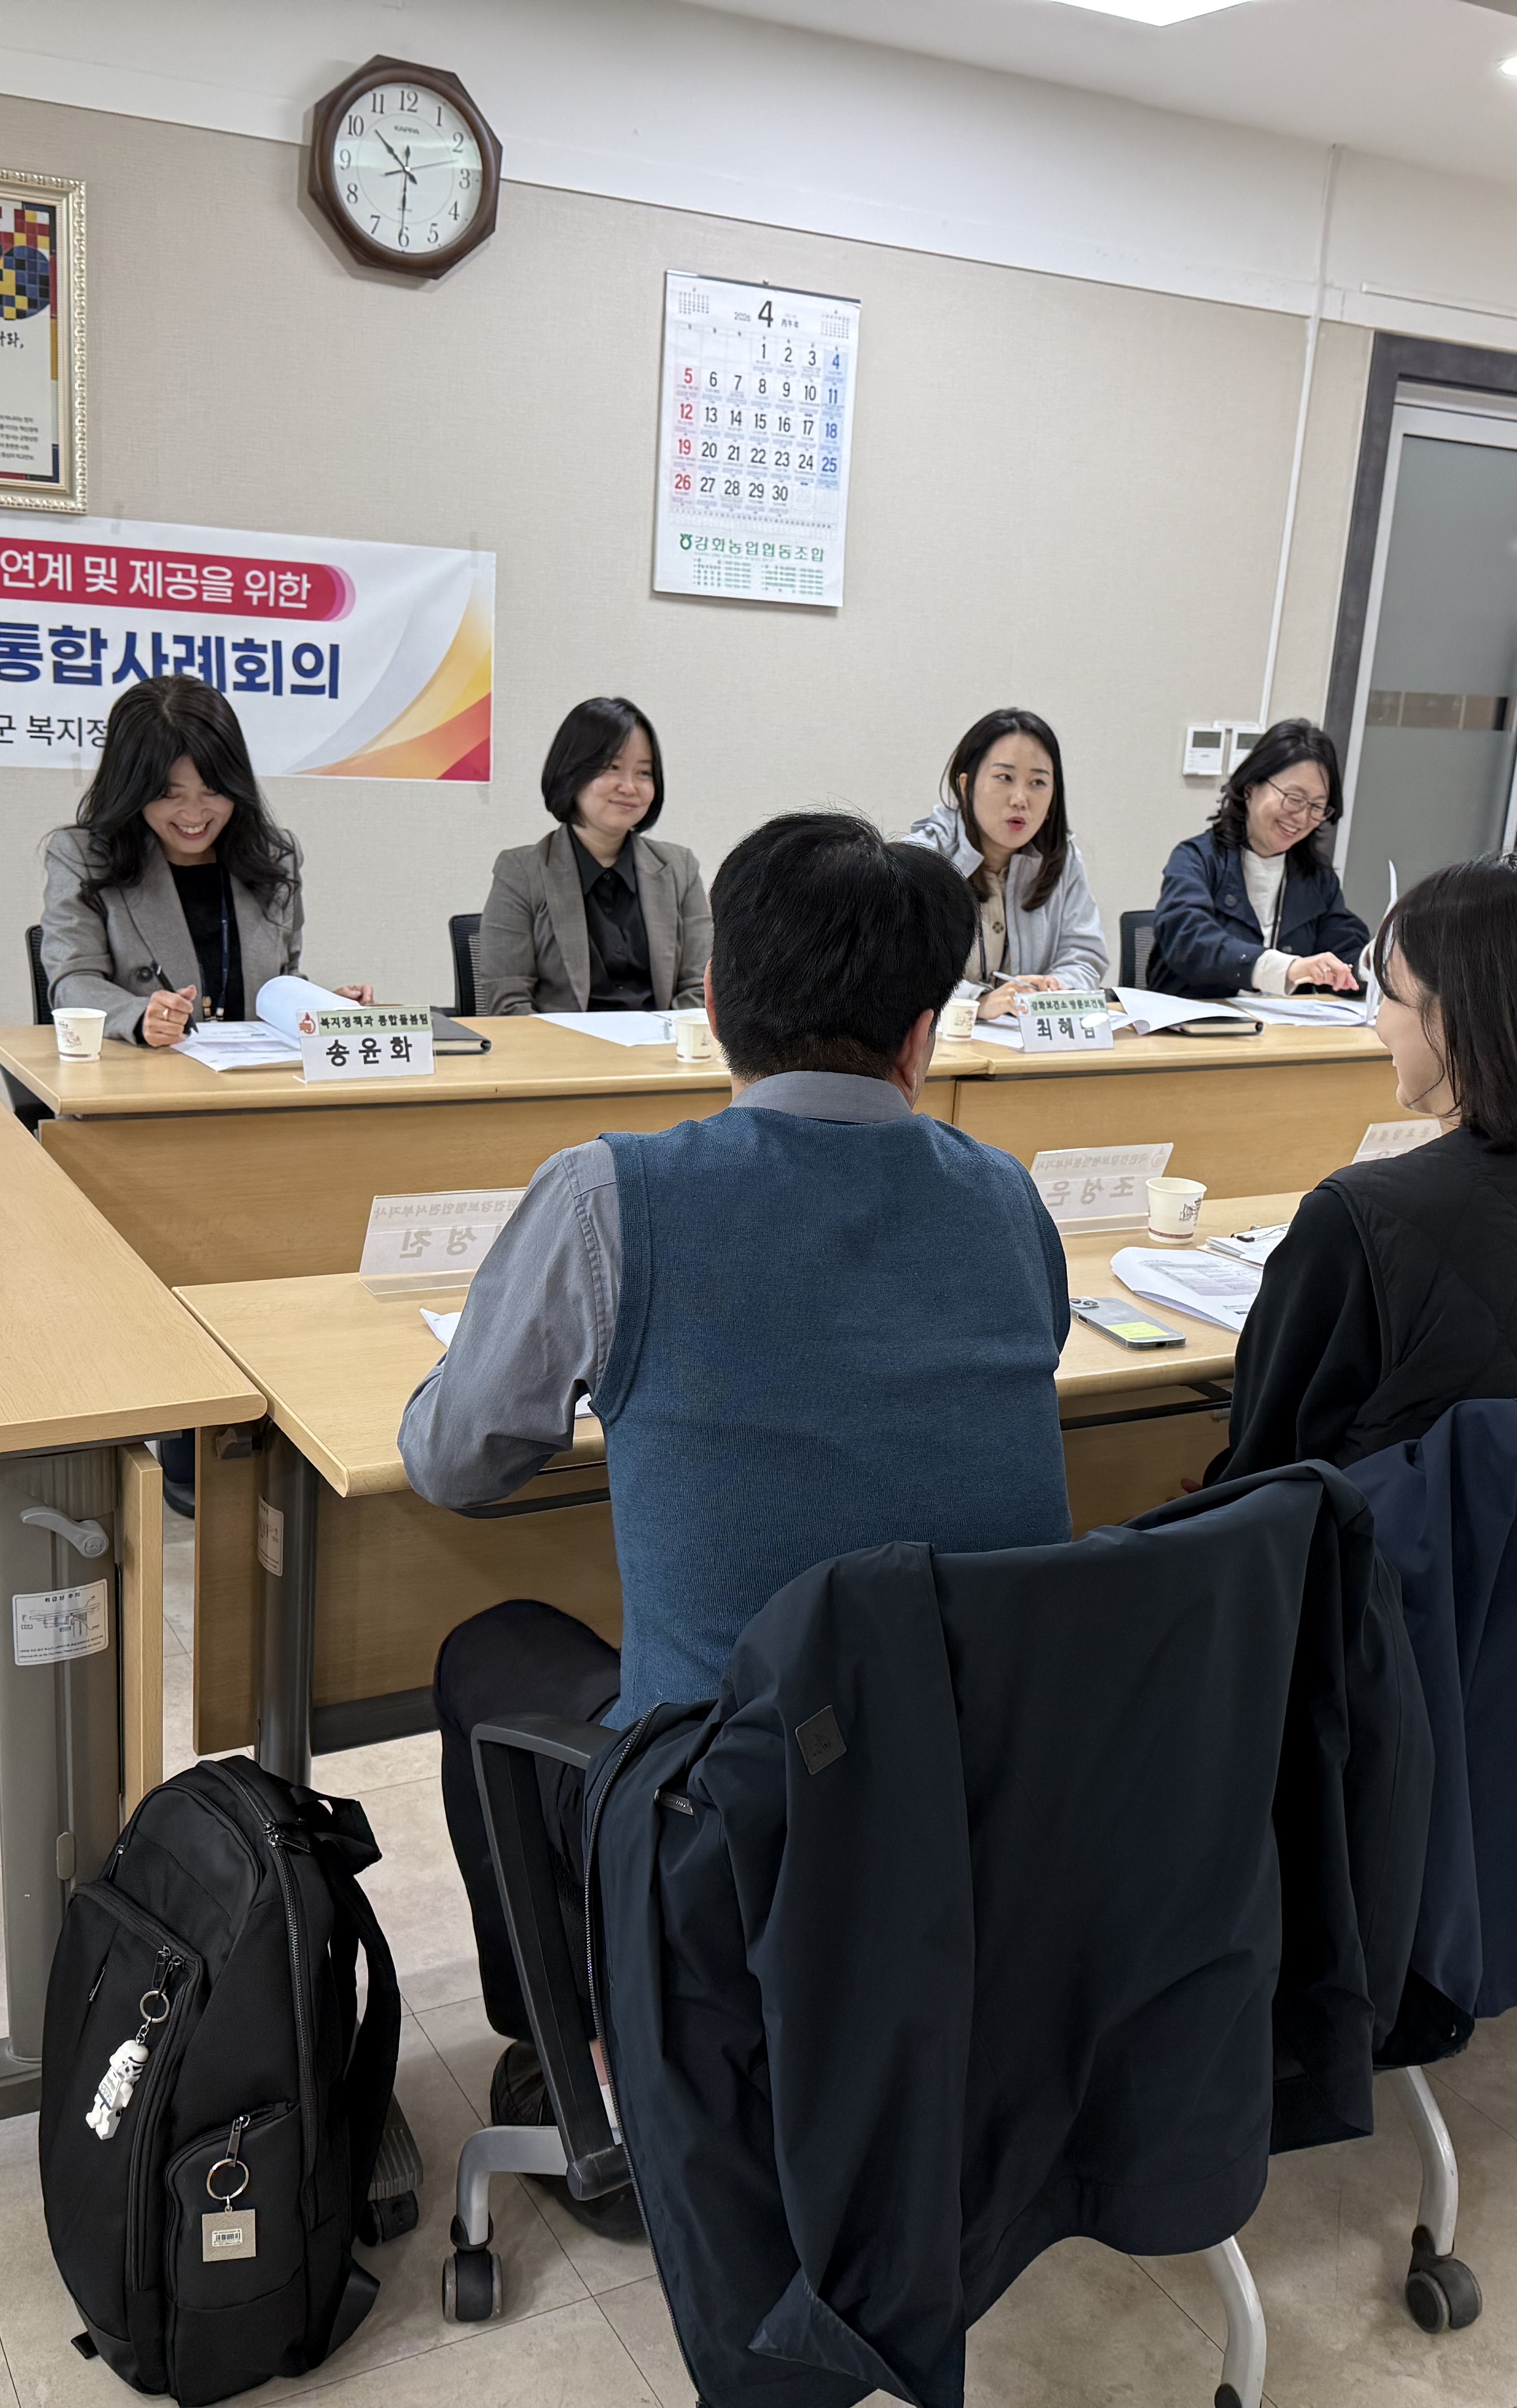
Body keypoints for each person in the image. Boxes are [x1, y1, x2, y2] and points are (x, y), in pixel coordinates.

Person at [405, 811, 1073, 2233]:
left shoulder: (614, 1196)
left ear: (710, 1005)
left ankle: (596, 2061)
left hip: (726, 1813)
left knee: (488, 1650)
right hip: (974, 1788)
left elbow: (457, 1463)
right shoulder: (1009, 1199)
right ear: (924, 1036)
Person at [1216, 852, 1517, 1478]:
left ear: (1458, 1014)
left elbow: (1261, 1470)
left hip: (1387, 1545)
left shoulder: (1357, 1218)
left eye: (1391, 996)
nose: (1378, 1024)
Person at [38, 676, 365, 1048]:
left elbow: (282, 978)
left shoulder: (275, 856)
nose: (194, 814)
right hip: (144, 1072)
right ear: (131, 789)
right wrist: (139, 1016)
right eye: (168, 794)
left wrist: (319, 1009)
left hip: (253, 1073)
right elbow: (73, 982)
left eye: (214, 791)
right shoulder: (85, 857)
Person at [476, 696, 712, 1015]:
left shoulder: (679, 869)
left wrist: (667, 1039)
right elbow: (508, 1001)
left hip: (663, 1045)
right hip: (560, 1046)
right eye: (612, 767)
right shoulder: (522, 872)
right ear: (571, 771)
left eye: (644, 773)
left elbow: (700, 988)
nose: (629, 787)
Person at [898, 707, 1106, 1015]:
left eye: (1038, 783)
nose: (1020, 799)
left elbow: (1084, 954)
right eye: (1004, 778)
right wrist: (977, 1002)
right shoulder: (923, 858)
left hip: (1026, 1039)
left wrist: (1053, 988)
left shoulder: (1063, 859)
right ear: (966, 787)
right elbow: (900, 969)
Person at [1149, 719, 1373, 1001]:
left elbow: (1344, 948)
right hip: (1198, 1022)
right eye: (1294, 799)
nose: (1302, 818)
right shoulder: (1197, 859)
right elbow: (1190, 940)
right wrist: (1284, 969)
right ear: (1251, 787)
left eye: (1317, 807)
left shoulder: (1316, 877)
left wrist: (1371, 961)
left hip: (1286, 1027)